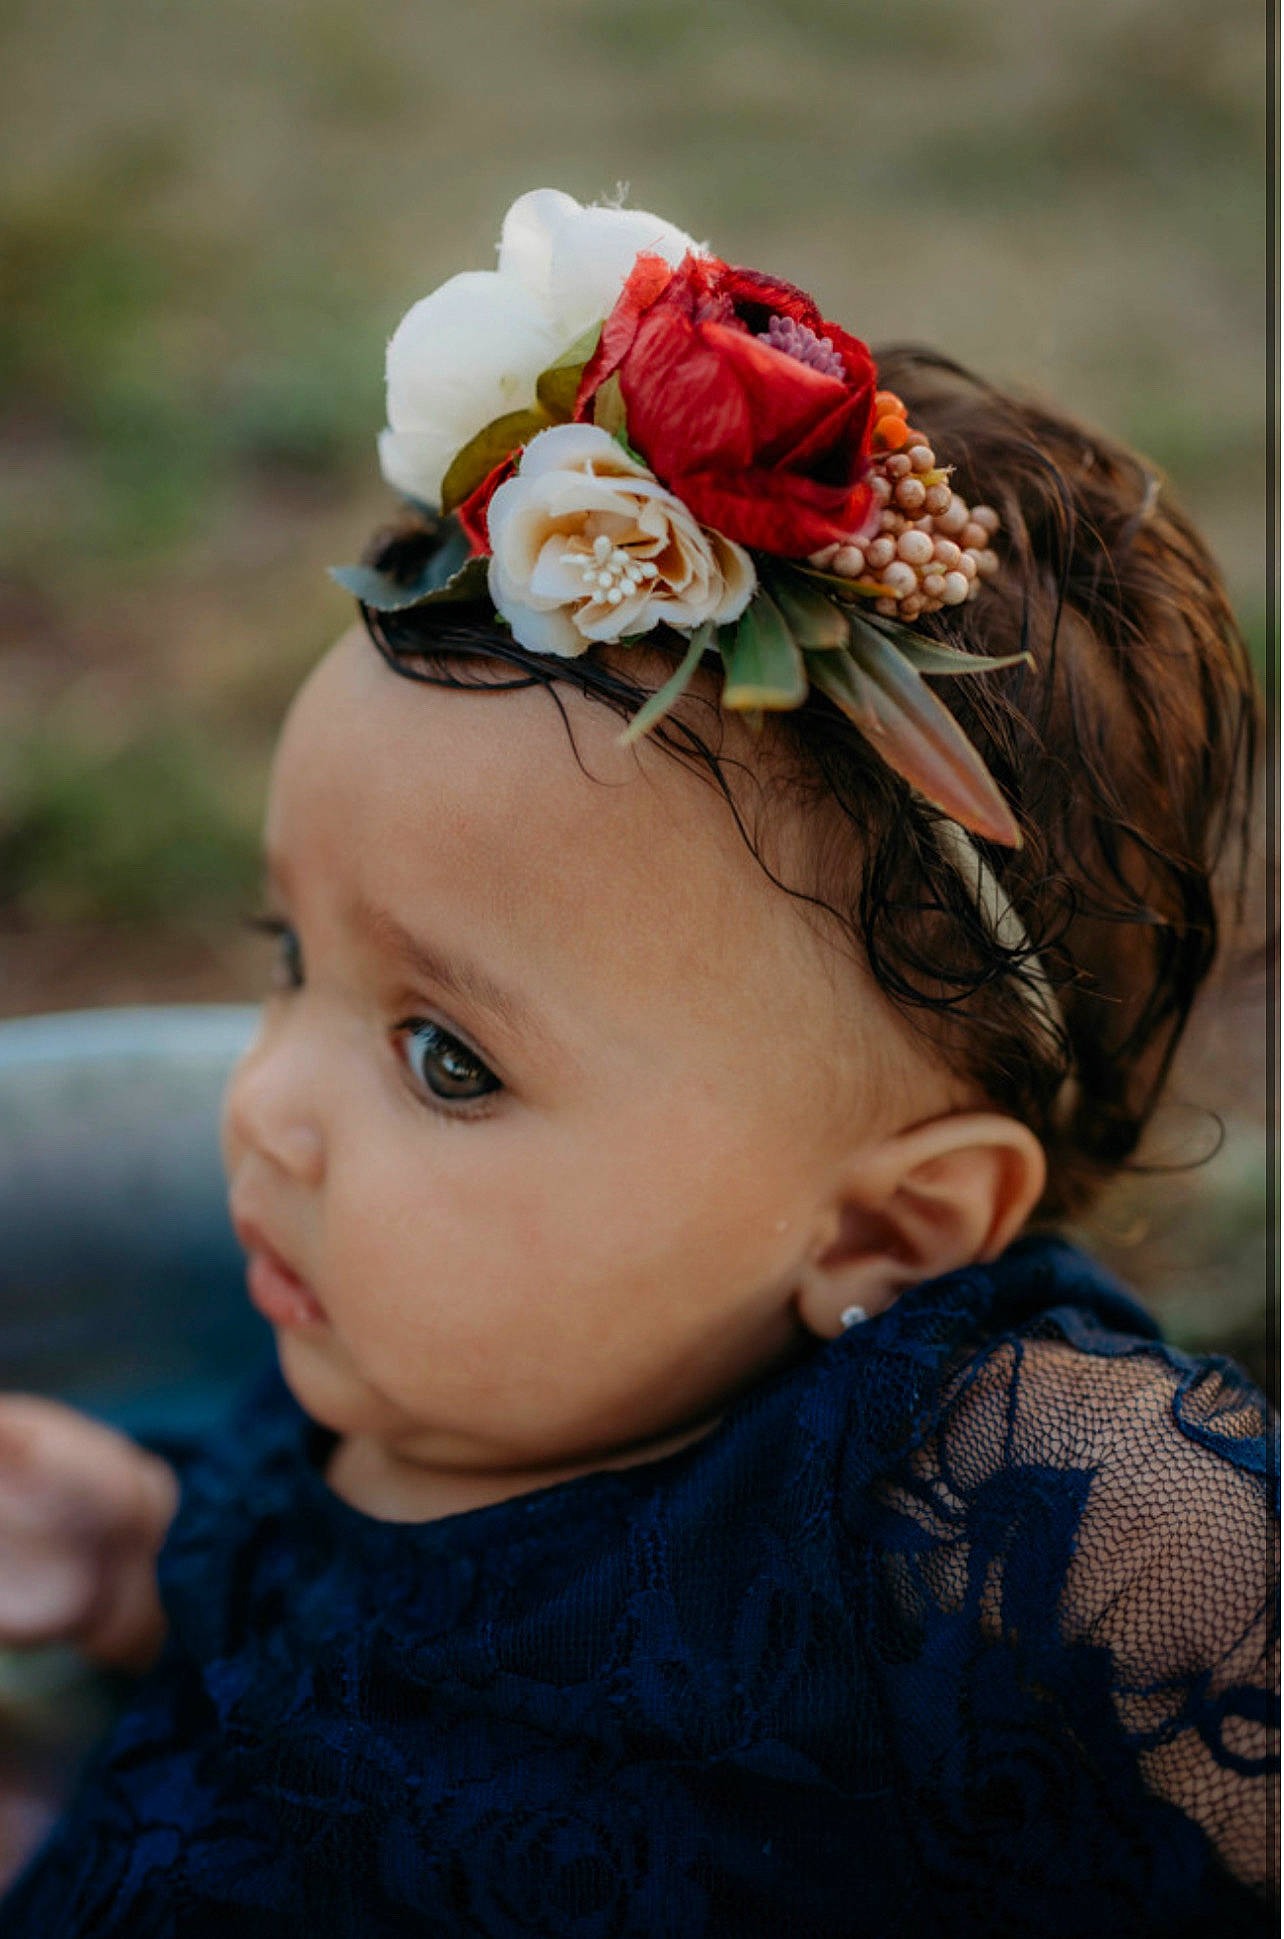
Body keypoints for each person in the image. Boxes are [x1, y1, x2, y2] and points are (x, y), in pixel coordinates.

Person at [0, 189, 1275, 1937]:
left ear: (886, 1236)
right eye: (293, 963)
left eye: (447, 1061)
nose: (264, 1102)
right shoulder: (410, 1369)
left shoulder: (933, 1502)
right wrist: (131, 1546)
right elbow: (310, 1627)